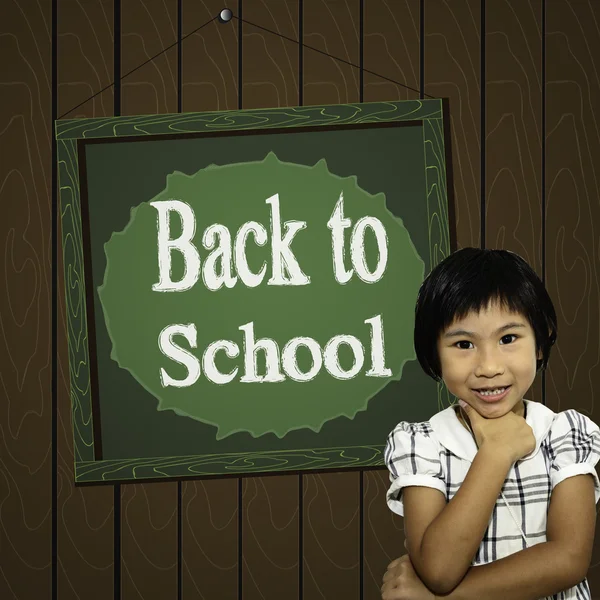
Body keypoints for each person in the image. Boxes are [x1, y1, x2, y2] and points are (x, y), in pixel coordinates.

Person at [381, 247, 600, 600]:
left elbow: (569, 560)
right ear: (434, 352)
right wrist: (496, 452)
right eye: (464, 344)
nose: (488, 366)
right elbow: (438, 570)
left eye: (508, 339)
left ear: (540, 341)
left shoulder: (564, 434)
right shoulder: (423, 444)